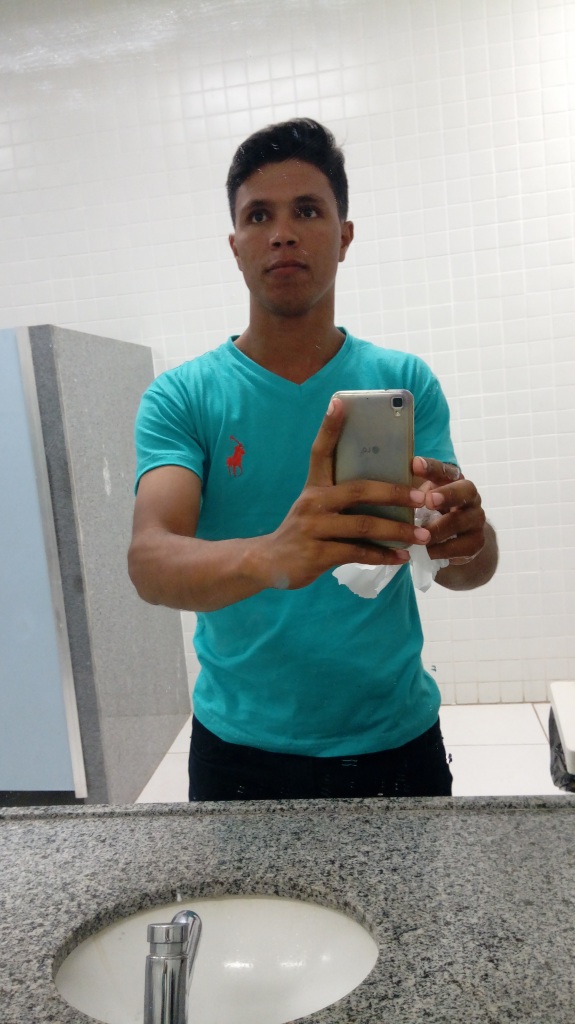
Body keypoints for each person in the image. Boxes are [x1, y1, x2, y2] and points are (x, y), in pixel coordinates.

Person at [128, 118, 498, 802]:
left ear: (344, 236)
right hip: (239, 751)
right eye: (258, 215)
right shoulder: (183, 397)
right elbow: (150, 562)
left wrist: (469, 538)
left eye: (307, 210)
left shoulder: (403, 383)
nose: (282, 233)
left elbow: (463, 572)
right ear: (235, 245)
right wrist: (271, 555)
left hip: (395, 739)